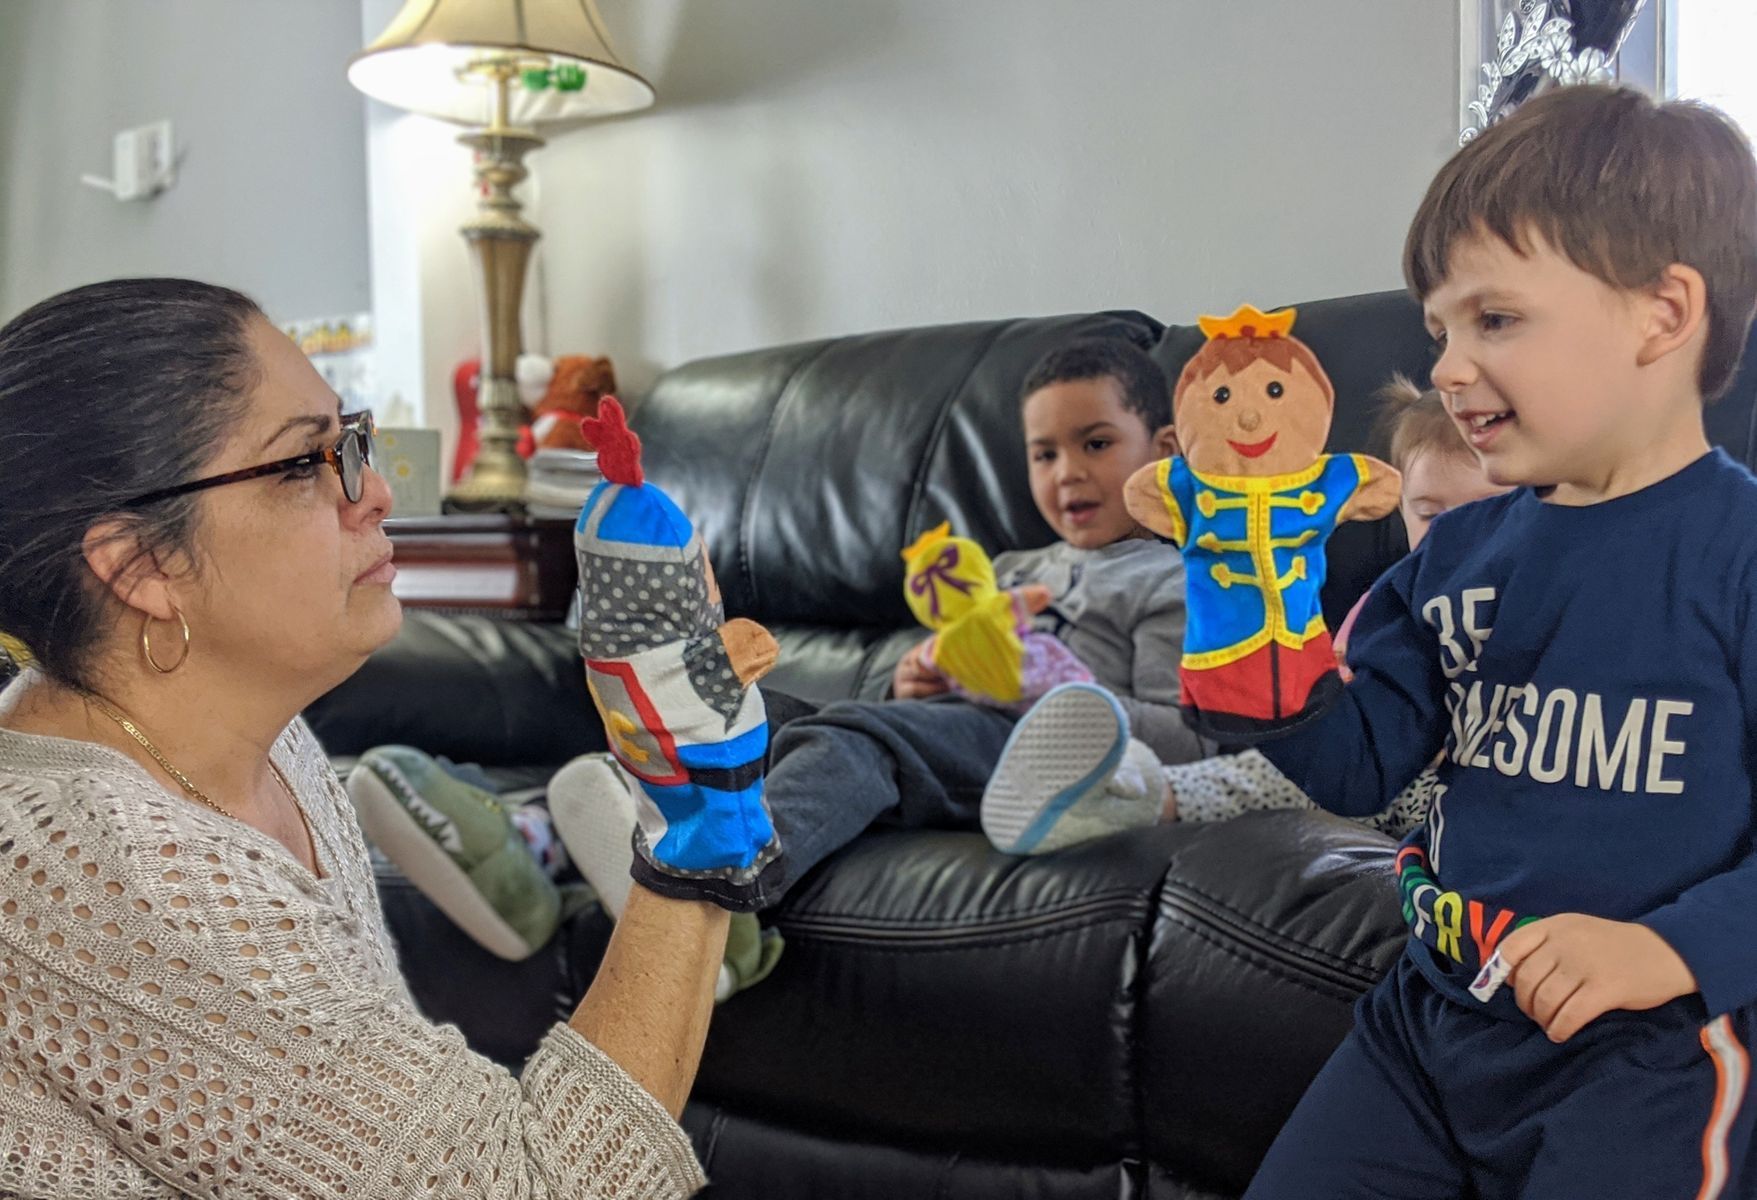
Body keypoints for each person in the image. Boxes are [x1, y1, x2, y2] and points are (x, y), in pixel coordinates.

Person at [0, 278, 725, 1198]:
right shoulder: (103, 874)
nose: (375, 490)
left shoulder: (265, 745)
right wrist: (696, 806)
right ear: (143, 566)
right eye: (306, 463)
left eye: (350, 439)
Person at [1240, 85, 1757, 1197]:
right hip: (1427, 1022)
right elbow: (1357, 759)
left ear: (1661, 315)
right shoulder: (1453, 553)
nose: (1444, 370)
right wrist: (1247, 625)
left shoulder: (1738, 552)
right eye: (1438, 330)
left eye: (1494, 319)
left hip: (1644, 1050)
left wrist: (1668, 948)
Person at [551, 336, 1210, 913]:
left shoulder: (1169, 580)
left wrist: (1033, 691)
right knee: (746, 713)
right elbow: (933, 687)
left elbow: (1187, 738)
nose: (1067, 472)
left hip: (1034, 753)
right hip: (944, 732)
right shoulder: (1009, 566)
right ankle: (550, 844)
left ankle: (731, 889)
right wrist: (913, 678)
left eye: (1094, 443)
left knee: (854, 739)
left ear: (1163, 451)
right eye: (1044, 454)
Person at [981, 371, 1512, 852]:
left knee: (1386, 799)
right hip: (1363, 762)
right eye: (1428, 514)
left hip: (1455, 786)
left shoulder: (1535, 598)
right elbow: (1345, 692)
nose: (1447, 537)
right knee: (1265, 774)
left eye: (1475, 515)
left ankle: (1129, 794)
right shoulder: (1393, 597)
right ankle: (1127, 791)